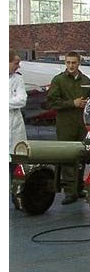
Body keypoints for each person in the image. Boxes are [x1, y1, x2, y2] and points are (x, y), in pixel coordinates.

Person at [46, 51, 90, 204]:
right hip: (65, 124)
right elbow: (52, 102)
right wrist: (72, 103)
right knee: (67, 157)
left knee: (81, 156)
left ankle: (79, 188)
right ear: (65, 63)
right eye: (68, 62)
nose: (71, 66)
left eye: (74, 63)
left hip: (81, 125)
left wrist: (87, 104)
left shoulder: (86, 81)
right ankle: (69, 191)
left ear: (79, 63)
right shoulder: (58, 80)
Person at [9, 50, 27, 179]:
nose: (18, 66)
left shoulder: (18, 79)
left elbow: (22, 100)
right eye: (16, 63)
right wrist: (11, 102)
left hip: (14, 126)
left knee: (15, 164)